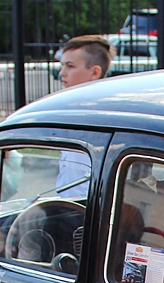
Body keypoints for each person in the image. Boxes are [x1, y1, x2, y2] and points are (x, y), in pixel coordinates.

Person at [55, 36, 111, 199]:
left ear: (95, 72)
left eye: (70, 66)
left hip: (89, 204)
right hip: (70, 203)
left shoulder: (100, 115)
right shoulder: (73, 110)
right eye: (62, 65)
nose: (62, 73)